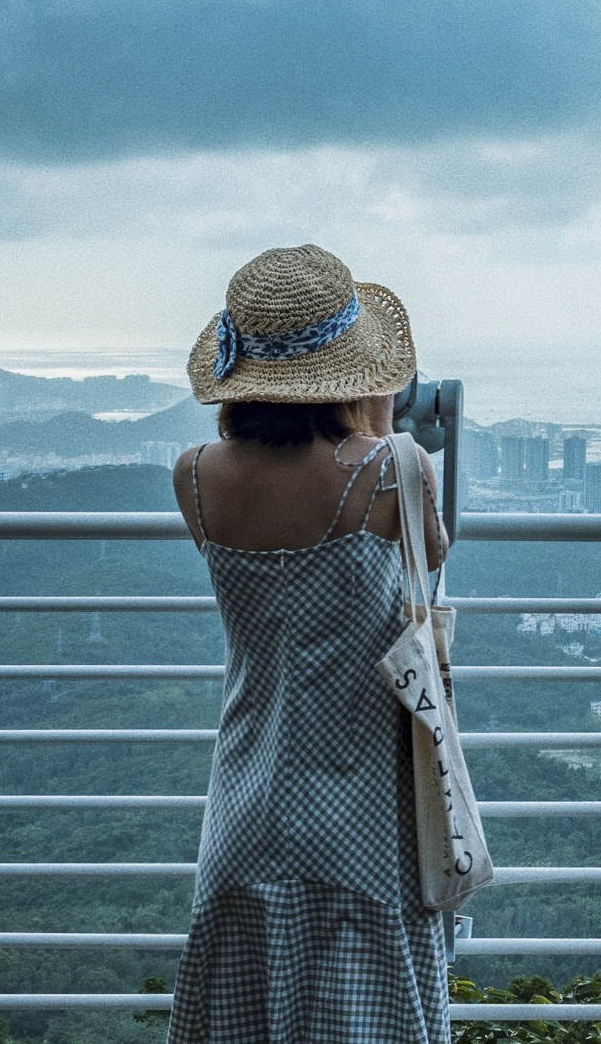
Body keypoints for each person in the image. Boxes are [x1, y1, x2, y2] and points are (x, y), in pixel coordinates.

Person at [167, 244, 453, 1043]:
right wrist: (384, 426)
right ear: (355, 372)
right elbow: (429, 553)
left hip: (248, 780)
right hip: (365, 789)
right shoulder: (396, 469)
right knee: (371, 988)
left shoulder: (194, 474)